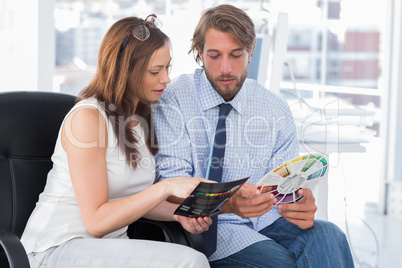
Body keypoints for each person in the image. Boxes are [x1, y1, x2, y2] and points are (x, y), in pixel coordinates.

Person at [153, 4, 354, 268]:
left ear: (251, 53)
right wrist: (227, 203)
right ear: (199, 53)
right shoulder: (175, 100)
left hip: (267, 223)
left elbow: (285, 184)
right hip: (210, 228)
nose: (225, 68)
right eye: (214, 55)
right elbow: (171, 189)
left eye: (236, 55)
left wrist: (299, 202)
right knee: (281, 264)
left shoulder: (274, 108)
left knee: (330, 236)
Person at [20, 15, 212, 268]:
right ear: (126, 71)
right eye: (155, 71)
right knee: (191, 262)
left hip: (106, 248)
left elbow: (131, 201)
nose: (166, 78)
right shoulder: (88, 118)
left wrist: (180, 215)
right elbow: (97, 222)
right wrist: (166, 187)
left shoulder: (138, 120)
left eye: (168, 68)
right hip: (56, 248)